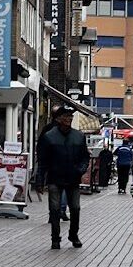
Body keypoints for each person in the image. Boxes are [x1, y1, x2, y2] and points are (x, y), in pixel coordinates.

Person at [35, 106, 90, 250]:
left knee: (76, 208)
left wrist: (80, 170)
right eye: (66, 116)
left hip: (73, 178)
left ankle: (73, 234)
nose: (69, 119)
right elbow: (43, 161)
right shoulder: (49, 137)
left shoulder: (78, 136)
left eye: (71, 117)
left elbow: (85, 157)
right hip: (55, 177)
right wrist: (39, 181)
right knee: (54, 209)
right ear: (58, 119)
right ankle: (55, 238)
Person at [38, 106, 69, 220]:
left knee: (53, 189)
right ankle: (61, 210)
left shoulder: (47, 129)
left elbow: (41, 146)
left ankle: (53, 213)